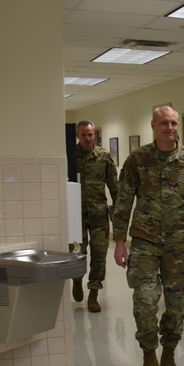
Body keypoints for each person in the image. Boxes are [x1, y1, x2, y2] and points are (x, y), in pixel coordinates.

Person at [112, 105, 184, 366]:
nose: (170, 128)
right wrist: (119, 240)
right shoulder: (138, 159)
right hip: (144, 242)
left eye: (173, 123)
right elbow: (123, 201)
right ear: (153, 126)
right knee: (144, 302)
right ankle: (149, 358)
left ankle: (169, 356)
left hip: (181, 244)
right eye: (164, 123)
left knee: (176, 304)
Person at [71, 120, 119, 313]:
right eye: (84, 135)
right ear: (77, 136)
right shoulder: (71, 155)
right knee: (77, 253)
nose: (88, 138)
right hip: (76, 215)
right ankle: (76, 279)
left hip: (99, 214)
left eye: (91, 134)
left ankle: (93, 293)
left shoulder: (104, 156)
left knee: (99, 255)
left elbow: (114, 185)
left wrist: (118, 211)